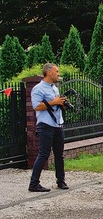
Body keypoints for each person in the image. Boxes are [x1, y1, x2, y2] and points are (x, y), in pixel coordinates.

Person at [28, 63, 68, 192]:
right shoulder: (38, 89)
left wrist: (61, 103)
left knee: (59, 155)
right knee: (43, 154)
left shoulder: (54, 88)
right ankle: (33, 184)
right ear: (49, 72)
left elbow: (54, 104)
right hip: (45, 125)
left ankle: (61, 181)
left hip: (57, 125)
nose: (58, 74)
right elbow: (37, 106)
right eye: (57, 72)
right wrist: (54, 102)